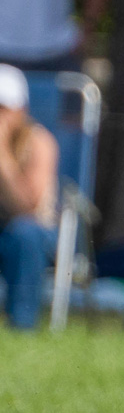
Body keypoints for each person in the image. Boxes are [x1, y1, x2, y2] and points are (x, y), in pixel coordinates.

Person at [0, 64, 59, 330]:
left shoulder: (39, 142)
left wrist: (2, 156)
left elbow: (27, 206)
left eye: (2, 109)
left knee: (25, 233)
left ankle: (22, 326)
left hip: (32, 234)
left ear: (20, 110)